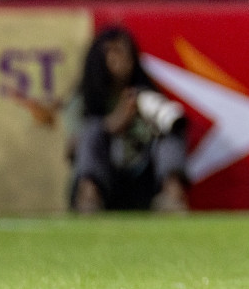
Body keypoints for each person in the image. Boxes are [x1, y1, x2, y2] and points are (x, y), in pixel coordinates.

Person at [70, 26, 189, 213]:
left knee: (170, 129)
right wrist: (111, 125)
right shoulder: (83, 99)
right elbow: (73, 145)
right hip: (105, 179)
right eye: (112, 52)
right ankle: (89, 199)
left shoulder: (144, 94)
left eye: (124, 52)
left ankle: (172, 195)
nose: (119, 59)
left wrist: (154, 122)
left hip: (141, 177)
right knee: (92, 129)